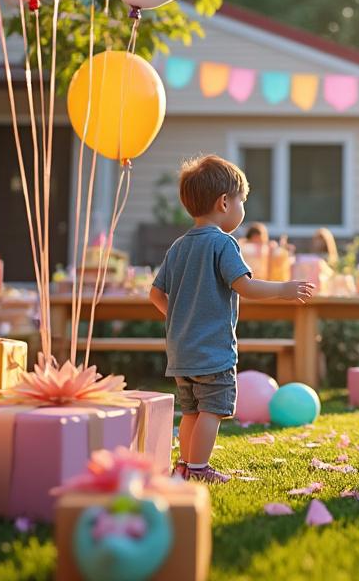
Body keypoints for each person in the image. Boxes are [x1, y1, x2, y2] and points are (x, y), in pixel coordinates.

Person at [149, 155, 314, 483]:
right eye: (242, 201)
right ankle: (199, 469)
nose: (243, 209)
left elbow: (155, 294)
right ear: (224, 202)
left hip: (182, 351)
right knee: (212, 410)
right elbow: (245, 285)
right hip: (213, 350)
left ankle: (183, 465)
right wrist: (284, 288)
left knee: (191, 411)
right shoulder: (223, 243)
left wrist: (181, 318)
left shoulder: (178, 247)